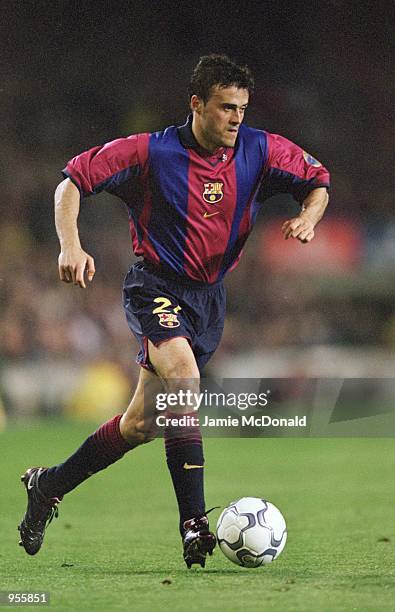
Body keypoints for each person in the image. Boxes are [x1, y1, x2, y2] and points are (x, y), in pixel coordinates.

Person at [18, 54, 330, 568]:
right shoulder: (149, 152)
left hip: (210, 299)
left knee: (141, 424)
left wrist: (307, 216)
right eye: (226, 107)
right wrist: (69, 245)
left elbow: (318, 179)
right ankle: (193, 525)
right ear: (196, 104)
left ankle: (48, 485)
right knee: (183, 380)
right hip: (155, 285)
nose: (236, 119)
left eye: (242, 109)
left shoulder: (260, 149)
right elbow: (71, 181)